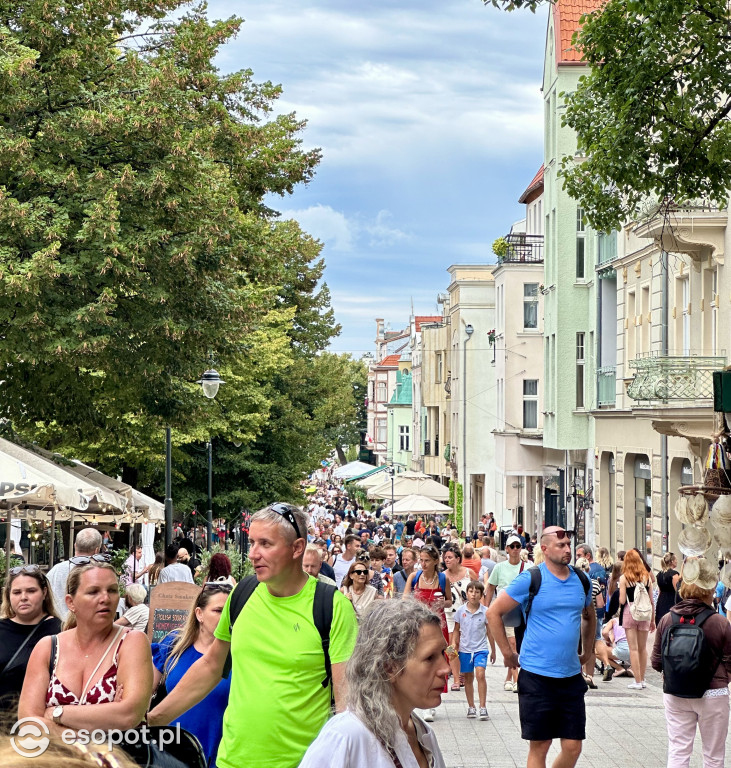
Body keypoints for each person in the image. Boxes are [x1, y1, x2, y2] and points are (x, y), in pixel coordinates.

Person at [148, 502, 358, 768]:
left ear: (297, 548)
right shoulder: (243, 594)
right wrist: (151, 720)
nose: (253, 554)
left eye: (265, 544)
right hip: (231, 760)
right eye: (252, 542)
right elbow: (211, 666)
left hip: (301, 762)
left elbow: (346, 706)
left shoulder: (331, 606)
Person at [487, 526, 595, 768]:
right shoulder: (531, 578)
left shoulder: (582, 579)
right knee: (541, 745)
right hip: (537, 676)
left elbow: (589, 615)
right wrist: (507, 653)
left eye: (568, 544)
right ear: (545, 549)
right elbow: (494, 612)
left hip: (570, 677)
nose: (568, 549)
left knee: (573, 746)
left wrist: (587, 651)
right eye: (561, 545)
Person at [299, 599, 449, 768]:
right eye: (429, 658)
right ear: (390, 667)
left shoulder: (422, 732)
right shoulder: (346, 736)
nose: (446, 669)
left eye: (443, 653)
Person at [19, 562, 152, 734]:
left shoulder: (132, 641)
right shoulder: (48, 647)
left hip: (116, 759)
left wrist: (56, 713)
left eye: (112, 590)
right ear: (71, 602)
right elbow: (28, 722)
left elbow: (128, 715)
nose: (105, 598)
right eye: (93, 592)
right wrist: (98, 725)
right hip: (55, 760)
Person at [651, 556, 731, 768]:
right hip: (713, 693)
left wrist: (675, 670)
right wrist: (723, 677)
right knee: (714, 757)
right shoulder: (720, 623)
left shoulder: (667, 619)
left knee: (678, 752)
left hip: (676, 691)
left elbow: (656, 662)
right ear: (710, 586)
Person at [152, 582, 233, 766]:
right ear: (199, 614)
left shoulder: (238, 654)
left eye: (229, 611)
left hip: (217, 755)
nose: (225, 617)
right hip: (171, 754)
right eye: (218, 610)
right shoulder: (174, 645)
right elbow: (144, 691)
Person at [0, 564, 61, 710]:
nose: (23, 597)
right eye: (16, 592)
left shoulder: (61, 631)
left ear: (44, 592)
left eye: (31, 591)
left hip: (39, 723)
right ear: (8, 595)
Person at [403, 544, 452, 723]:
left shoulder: (442, 578)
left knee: (436, 662)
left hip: (438, 625)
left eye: (427, 561)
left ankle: (430, 704)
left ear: (435, 561)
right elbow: (404, 599)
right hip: (418, 625)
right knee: (419, 661)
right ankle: (418, 698)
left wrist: (442, 604)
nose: (423, 564)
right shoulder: (414, 577)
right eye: (421, 560)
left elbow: (449, 601)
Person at [484, 534, 525, 692]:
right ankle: (517, 679)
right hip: (504, 612)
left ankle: (509, 677)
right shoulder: (499, 567)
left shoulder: (527, 567)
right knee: (512, 644)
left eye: (518, 546)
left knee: (517, 646)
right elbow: (491, 587)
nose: (515, 549)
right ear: (507, 549)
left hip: (521, 612)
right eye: (512, 546)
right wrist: (487, 609)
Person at [453, 580, 494, 721]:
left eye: (477, 592)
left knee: (480, 674)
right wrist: (453, 645)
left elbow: (490, 632)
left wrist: (494, 650)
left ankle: (483, 707)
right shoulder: (460, 611)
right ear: (467, 593)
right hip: (465, 649)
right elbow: (456, 630)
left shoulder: (485, 612)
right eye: (471, 591)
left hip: (481, 648)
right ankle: (471, 706)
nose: (474, 595)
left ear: (481, 595)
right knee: (468, 678)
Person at [45, 527, 104, 620]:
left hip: (56, 625)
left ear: (75, 545)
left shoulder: (56, 570)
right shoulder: (98, 573)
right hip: (86, 626)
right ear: (97, 550)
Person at [442, 545, 479, 691]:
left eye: (450, 557)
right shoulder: (443, 576)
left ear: (458, 558)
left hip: (467, 615)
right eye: (445, 558)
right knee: (452, 646)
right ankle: (456, 678)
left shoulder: (469, 573)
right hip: (450, 615)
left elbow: (478, 592)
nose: (447, 560)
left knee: (465, 646)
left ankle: (464, 672)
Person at [619, 547, 655, 689]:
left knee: (633, 648)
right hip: (645, 612)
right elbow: (652, 601)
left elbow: (622, 601)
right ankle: (644, 679)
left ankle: (637, 681)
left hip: (630, 612)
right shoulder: (647, 577)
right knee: (642, 648)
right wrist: (653, 620)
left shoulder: (624, 578)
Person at [575, 556, 604, 689]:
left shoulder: (573, 582)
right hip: (592, 618)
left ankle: (578, 674)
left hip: (576, 618)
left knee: (577, 648)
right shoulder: (594, 583)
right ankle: (590, 676)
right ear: (588, 568)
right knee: (590, 647)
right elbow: (600, 603)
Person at [595, 614, 631, 682]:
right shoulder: (632, 620)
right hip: (634, 652)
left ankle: (619, 668)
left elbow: (604, 632)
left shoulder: (614, 621)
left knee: (597, 652)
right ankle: (633, 669)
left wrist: (607, 639)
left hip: (621, 651)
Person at [655, 551, 680, 623]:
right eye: (676, 559)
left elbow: (659, 591)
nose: (676, 561)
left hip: (661, 601)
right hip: (671, 601)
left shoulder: (659, 574)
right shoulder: (674, 574)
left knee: (662, 624)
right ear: (672, 561)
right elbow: (678, 591)